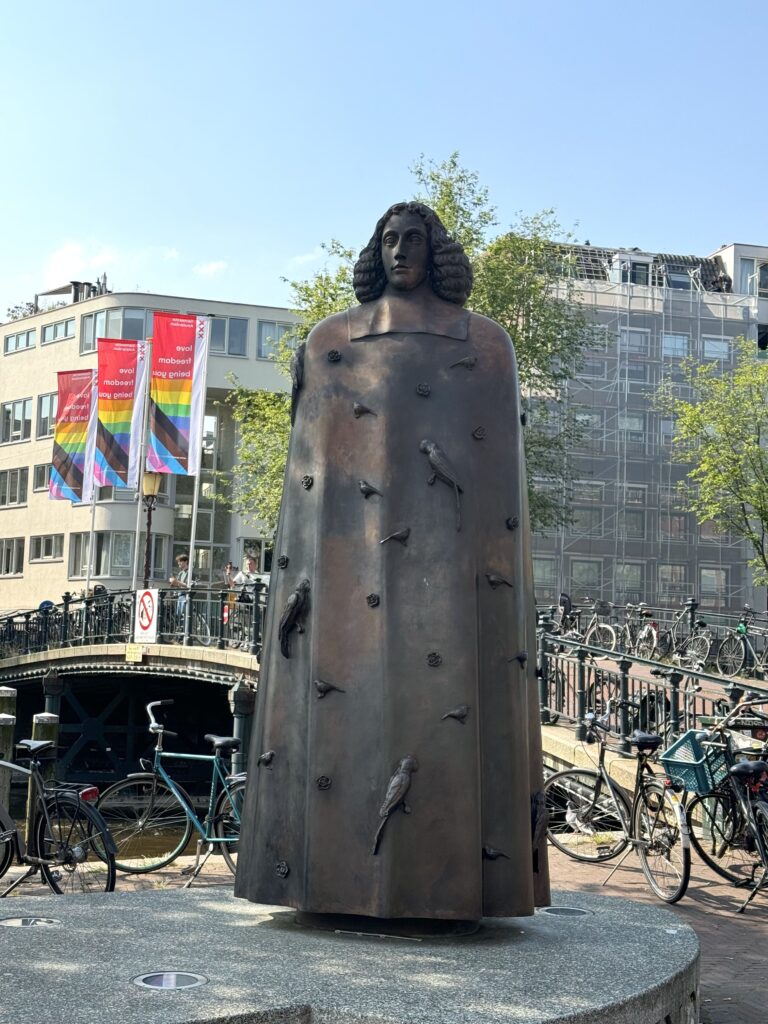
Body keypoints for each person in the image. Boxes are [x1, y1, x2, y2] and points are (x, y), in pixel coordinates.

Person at [235, 202, 549, 923]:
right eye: (389, 238)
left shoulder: (488, 345)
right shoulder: (330, 342)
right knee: (340, 711)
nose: (400, 249)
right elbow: (310, 486)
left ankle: (452, 882)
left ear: (435, 252)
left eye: (414, 238)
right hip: (345, 585)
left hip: (454, 579)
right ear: (375, 250)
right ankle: (323, 872)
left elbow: (500, 490)